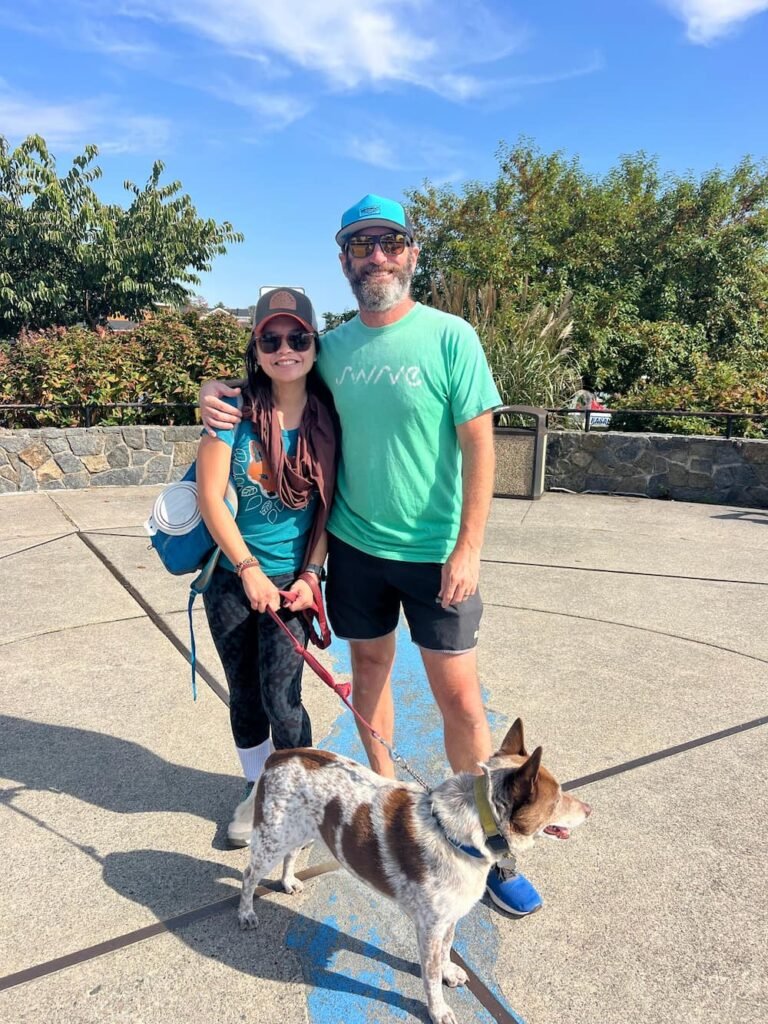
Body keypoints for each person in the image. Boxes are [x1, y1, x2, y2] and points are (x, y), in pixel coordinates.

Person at [200, 195, 542, 916]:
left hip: (436, 555)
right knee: (370, 679)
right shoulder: (337, 348)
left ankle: (492, 840)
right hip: (354, 548)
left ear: (412, 252)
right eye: (360, 246)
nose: (376, 257)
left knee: (462, 702)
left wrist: (470, 546)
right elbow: (275, 382)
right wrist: (212, 396)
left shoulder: (452, 338)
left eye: (389, 243)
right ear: (344, 261)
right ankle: (391, 816)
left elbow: (482, 447)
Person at [196, 287, 337, 847]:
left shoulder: (331, 417)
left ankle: (298, 792)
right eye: (271, 338)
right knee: (246, 694)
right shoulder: (231, 412)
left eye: (297, 337)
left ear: (314, 345)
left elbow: (331, 507)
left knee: (285, 697)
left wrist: (310, 575)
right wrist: (248, 567)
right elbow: (210, 498)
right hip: (233, 576)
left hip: (294, 582)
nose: (286, 349)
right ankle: (259, 791)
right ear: (256, 348)